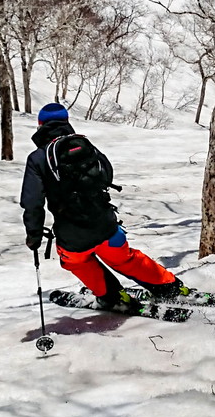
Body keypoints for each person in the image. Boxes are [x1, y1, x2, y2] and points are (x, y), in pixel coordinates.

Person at [20, 103, 189, 307]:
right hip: (106, 223)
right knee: (124, 258)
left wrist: (34, 234)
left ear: (40, 125)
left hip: (72, 233)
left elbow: (32, 202)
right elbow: (107, 174)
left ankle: (113, 297)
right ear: (66, 121)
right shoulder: (84, 144)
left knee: (76, 262)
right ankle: (171, 287)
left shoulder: (38, 158)